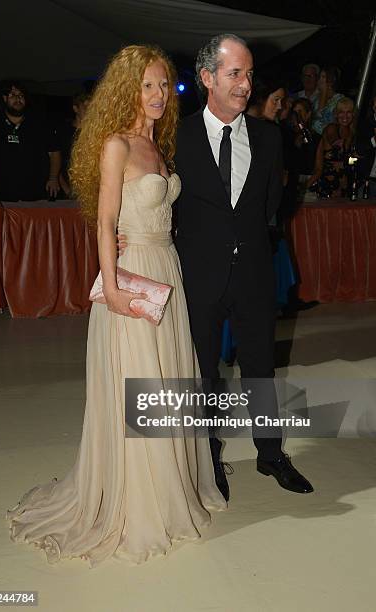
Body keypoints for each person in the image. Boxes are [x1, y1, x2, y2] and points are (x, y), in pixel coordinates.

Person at [5, 45, 226, 568]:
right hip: (132, 278)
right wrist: (114, 286)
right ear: (128, 90)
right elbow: (104, 222)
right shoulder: (116, 145)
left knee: (168, 381)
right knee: (139, 384)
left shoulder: (159, 144)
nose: (155, 96)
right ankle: (138, 502)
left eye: (162, 86)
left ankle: (172, 485)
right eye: (145, 85)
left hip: (166, 270)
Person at [173, 34, 313, 498]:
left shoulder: (270, 137)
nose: (246, 84)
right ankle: (207, 457)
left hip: (254, 271)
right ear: (208, 78)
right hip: (200, 275)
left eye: (250, 74)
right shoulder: (177, 136)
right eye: (236, 73)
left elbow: (273, 202)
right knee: (205, 373)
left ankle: (270, 455)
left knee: (260, 369)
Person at [0, 80, 60, 201]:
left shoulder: (40, 123)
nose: (18, 99)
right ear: (4, 98)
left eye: (21, 96)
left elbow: (54, 153)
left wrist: (53, 178)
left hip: (35, 194)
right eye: (13, 95)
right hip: (0, 193)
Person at [308, 96, 356, 198]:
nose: (345, 116)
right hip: (327, 187)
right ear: (336, 114)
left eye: (349, 112)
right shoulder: (331, 128)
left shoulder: (353, 133)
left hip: (346, 189)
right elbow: (334, 144)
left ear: (353, 114)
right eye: (341, 112)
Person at [57, 92, 90, 196]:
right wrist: (66, 188)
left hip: (90, 189)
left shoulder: (96, 133)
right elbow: (56, 160)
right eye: (85, 106)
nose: (90, 109)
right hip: (69, 188)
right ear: (75, 108)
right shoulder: (64, 132)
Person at [312, 66, 343, 135]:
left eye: (323, 77)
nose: (319, 80)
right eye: (319, 77)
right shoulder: (315, 99)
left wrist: (324, 92)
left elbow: (321, 117)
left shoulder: (339, 100)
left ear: (332, 80)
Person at [356, 93, 376, 198]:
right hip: (369, 182)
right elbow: (359, 149)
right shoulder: (365, 125)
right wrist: (374, 140)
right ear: (373, 106)